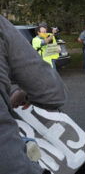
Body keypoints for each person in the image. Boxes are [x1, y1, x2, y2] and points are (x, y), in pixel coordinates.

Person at [0, 16, 67, 174]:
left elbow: (54, 48)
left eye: (45, 29)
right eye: (42, 29)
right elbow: (52, 92)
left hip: (50, 64)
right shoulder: (36, 40)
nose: (44, 31)